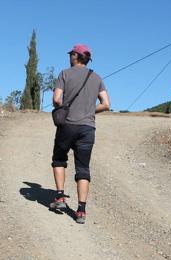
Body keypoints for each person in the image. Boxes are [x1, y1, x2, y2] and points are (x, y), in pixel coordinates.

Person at [49, 44, 110, 224]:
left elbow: (56, 99)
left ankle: (60, 197)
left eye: (71, 54)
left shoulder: (65, 74)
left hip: (68, 125)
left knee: (59, 159)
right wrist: (89, 110)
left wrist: (63, 108)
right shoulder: (96, 77)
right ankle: (81, 210)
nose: (70, 57)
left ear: (75, 55)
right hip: (88, 128)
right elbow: (106, 104)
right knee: (83, 168)